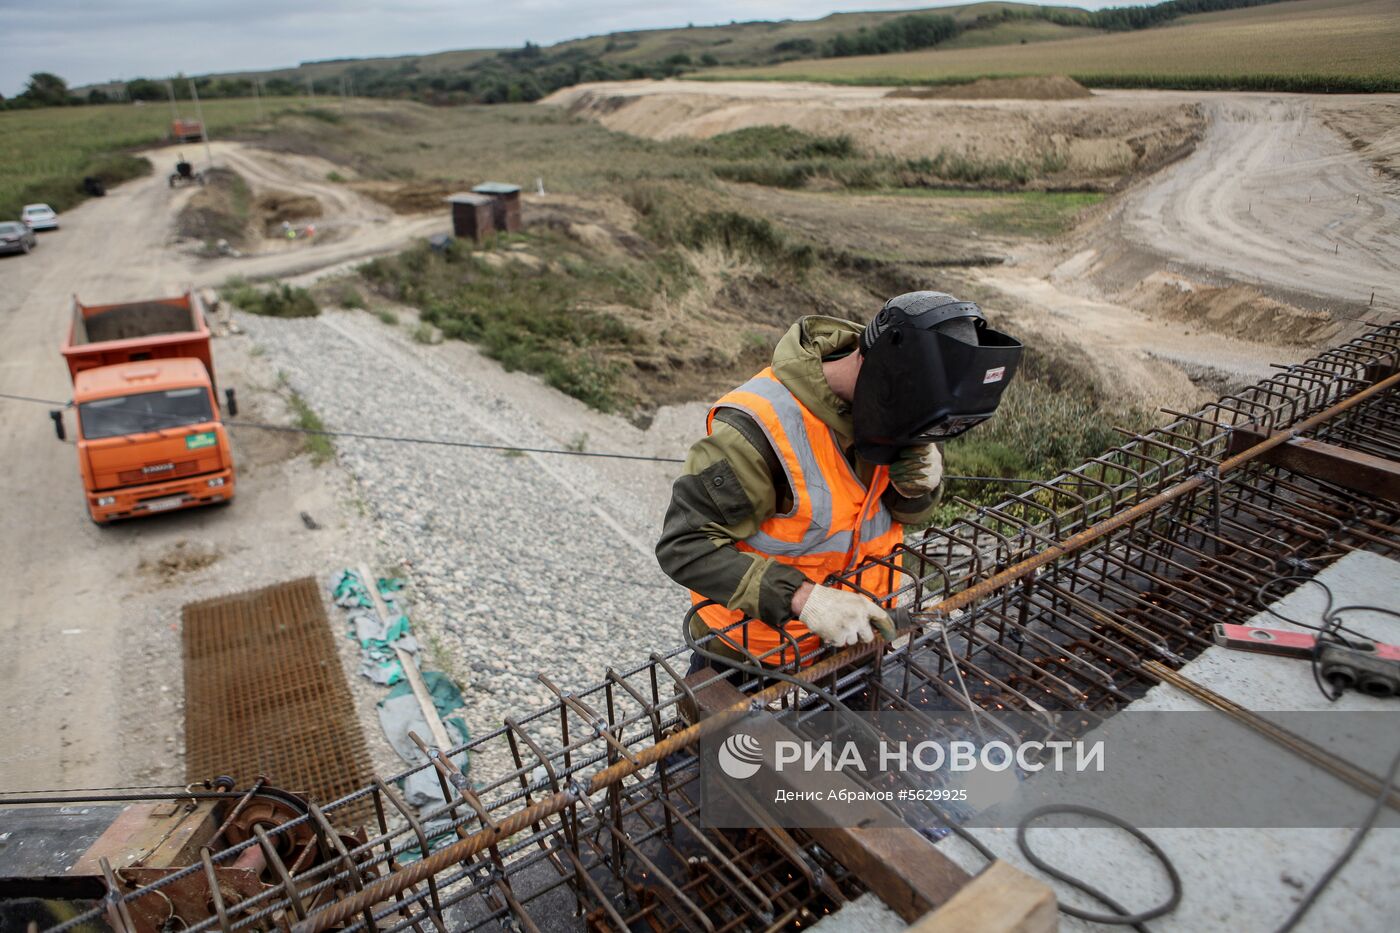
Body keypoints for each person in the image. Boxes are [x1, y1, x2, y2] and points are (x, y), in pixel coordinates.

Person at [656, 292, 1022, 673]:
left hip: (855, 644)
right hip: (752, 658)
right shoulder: (758, 431)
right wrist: (804, 599)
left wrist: (918, 490)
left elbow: (895, 516)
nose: (916, 437)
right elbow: (684, 547)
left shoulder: (911, 410)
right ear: (877, 370)